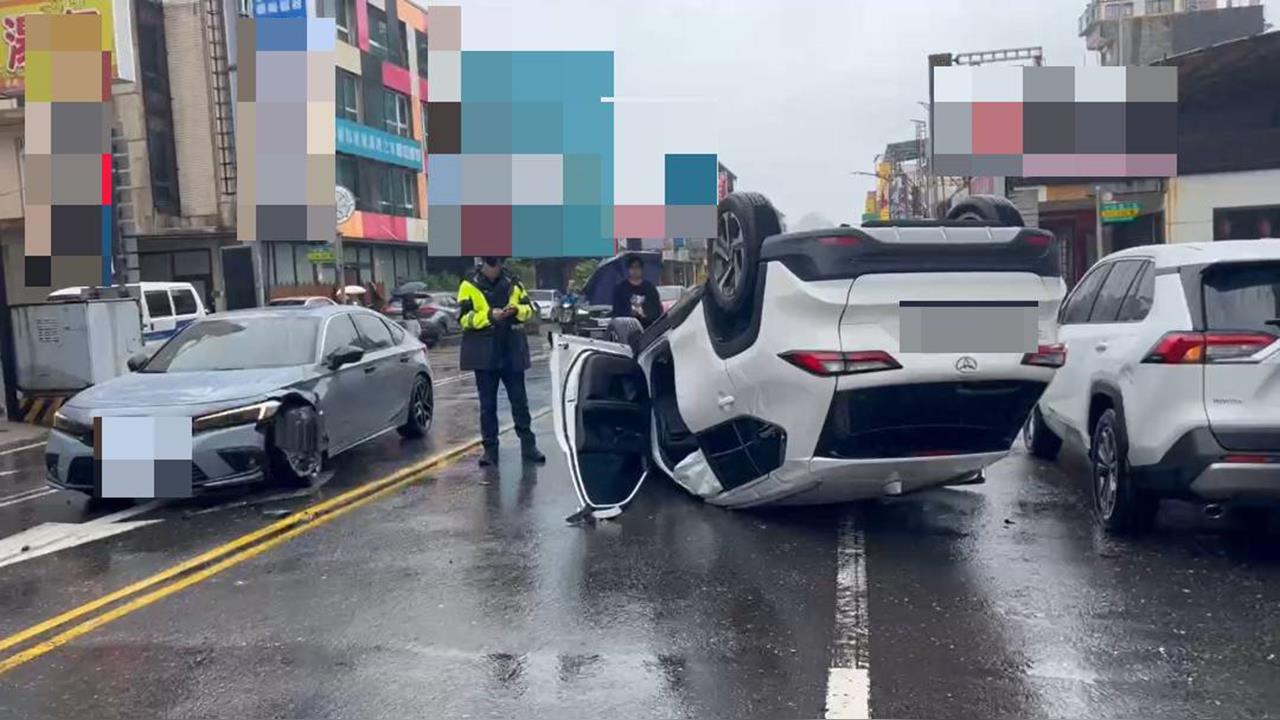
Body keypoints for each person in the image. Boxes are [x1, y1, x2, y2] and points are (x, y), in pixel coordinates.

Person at [457, 256, 545, 468]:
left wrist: (517, 311)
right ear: (484, 265)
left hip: (511, 350)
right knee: (488, 406)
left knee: (520, 402)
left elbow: (529, 310)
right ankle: (490, 450)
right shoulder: (469, 284)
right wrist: (489, 316)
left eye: (497, 264)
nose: (495, 269)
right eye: (491, 265)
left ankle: (528, 446)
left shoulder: (514, 282)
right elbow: (463, 319)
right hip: (484, 353)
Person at [610, 255, 663, 330]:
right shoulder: (620, 289)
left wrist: (644, 314)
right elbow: (617, 311)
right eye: (632, 267)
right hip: (626, 330)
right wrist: (630, 313)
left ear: (641, 269)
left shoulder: (650, 288)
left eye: (637, 267)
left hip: (648, 329)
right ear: (628, 269)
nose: (635, 270)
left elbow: (656, 310)